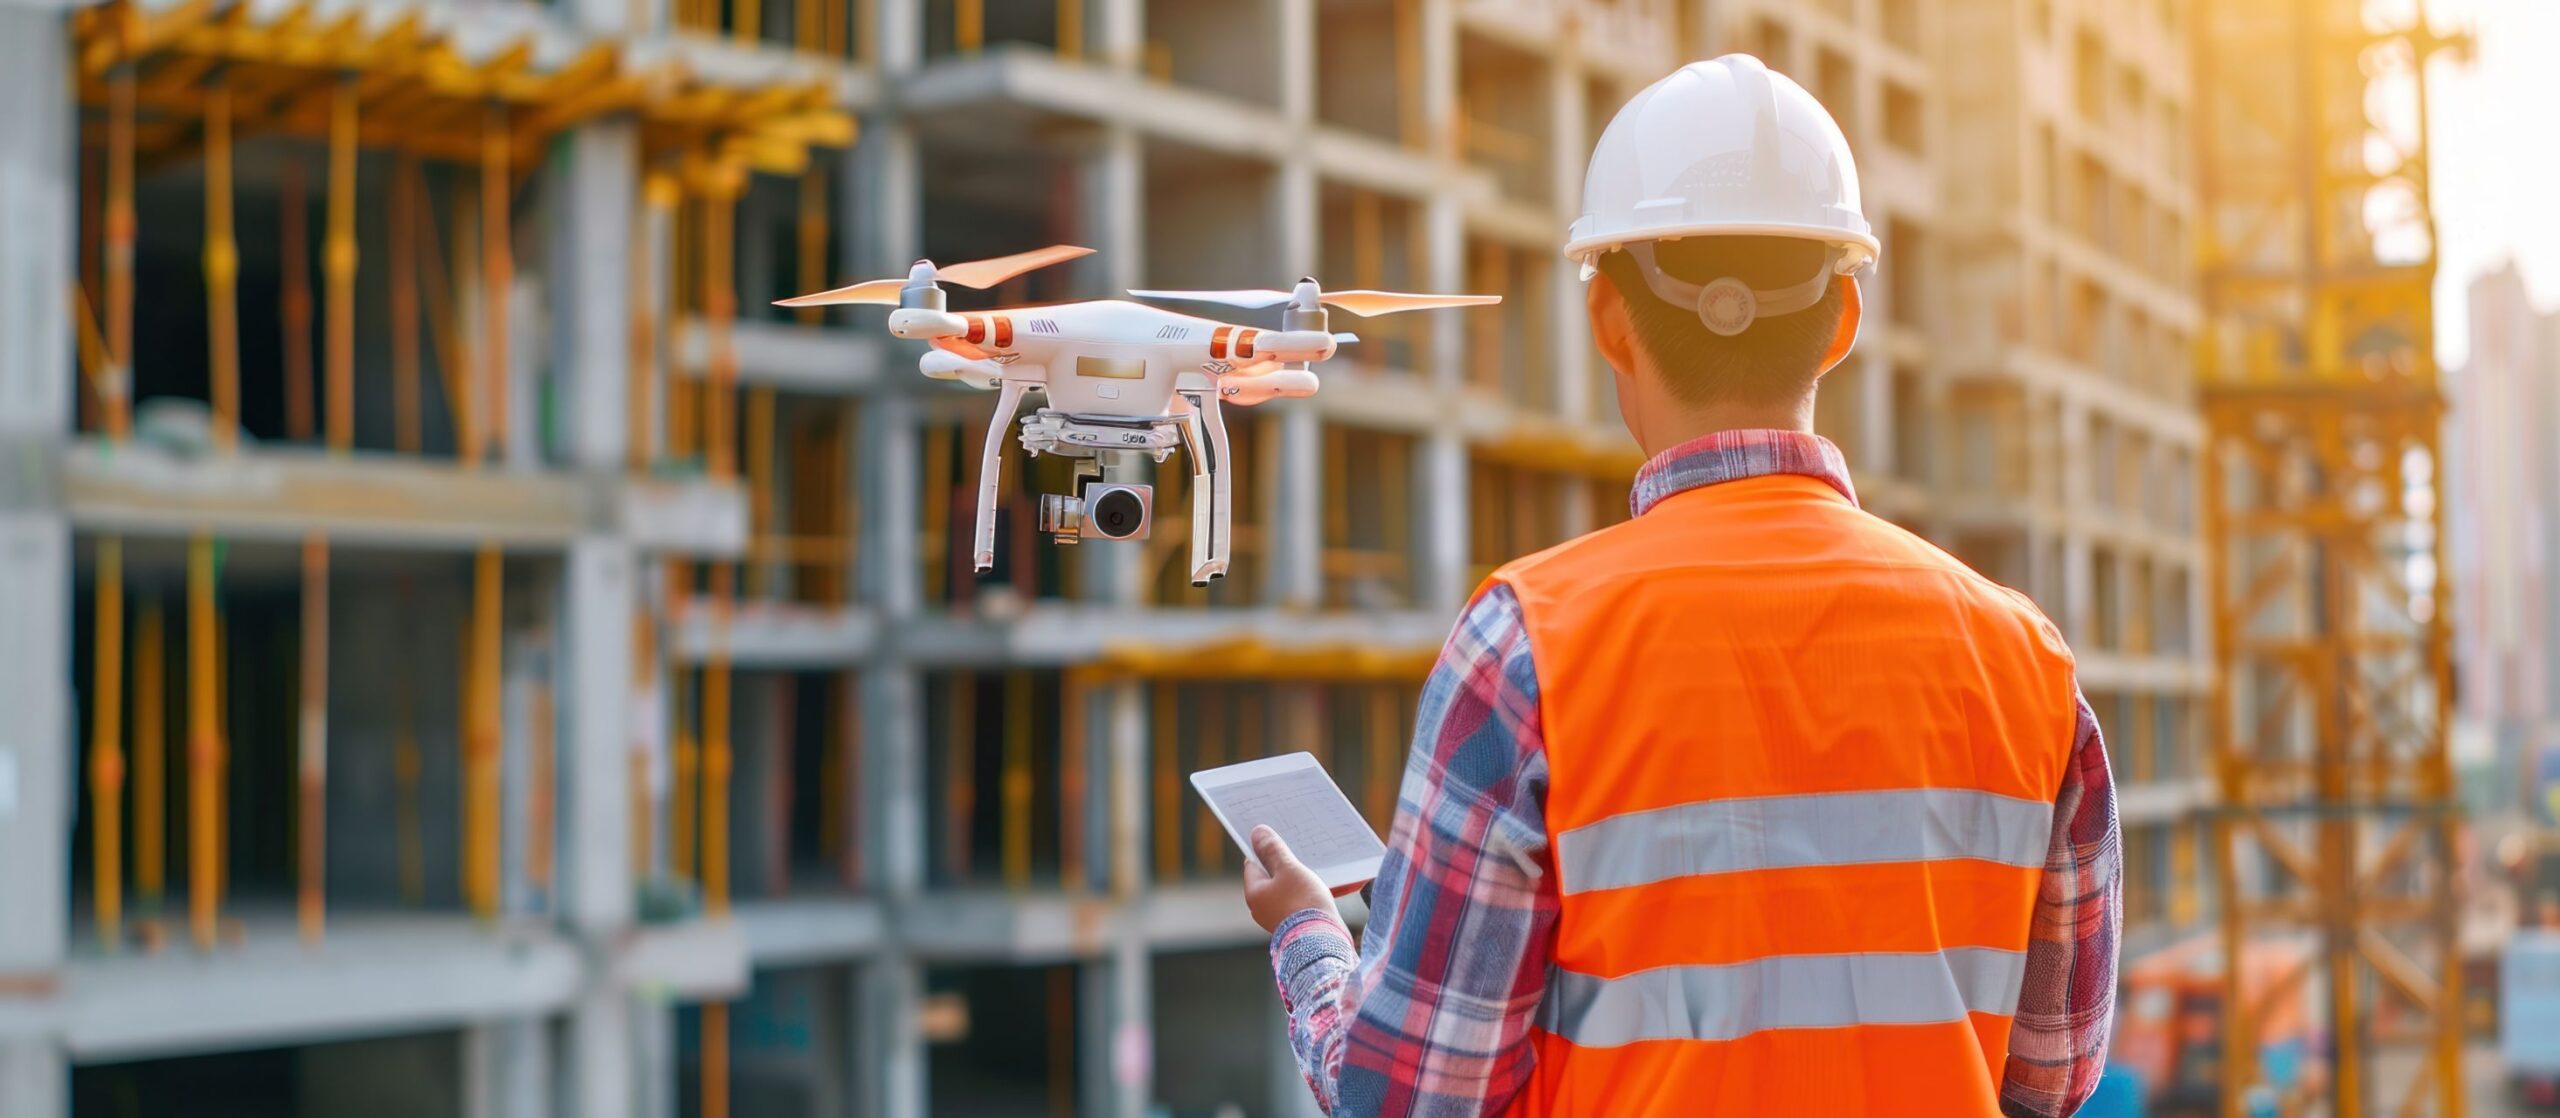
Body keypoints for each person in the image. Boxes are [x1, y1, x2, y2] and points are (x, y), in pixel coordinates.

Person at [1238, 55, 2121, 1116]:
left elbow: (1407, 1099)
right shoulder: (2023, 658)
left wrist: (1308, 935)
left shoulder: (1525, 646)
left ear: (1610, 320)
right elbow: (2053, 1074)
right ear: (1843, 321)